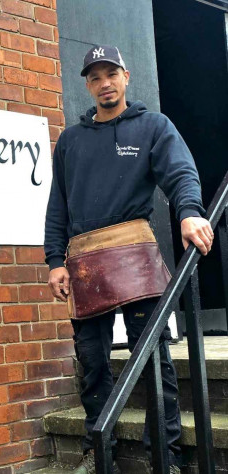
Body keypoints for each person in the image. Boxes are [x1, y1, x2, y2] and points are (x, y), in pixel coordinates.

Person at [44, 44, 214, 474]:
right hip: (83, 260)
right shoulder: (70, 141)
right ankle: (96, 452)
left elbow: (180, 173)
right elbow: (57, 207)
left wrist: (190, 211)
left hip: (134, 250)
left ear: (126, 76)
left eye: (111, 74)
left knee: (154, 357)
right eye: (96, 76)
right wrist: (54, 260)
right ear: (87, 84)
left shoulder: (153, 126)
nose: (105, 83)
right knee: (93, 361)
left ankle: (166, 455)